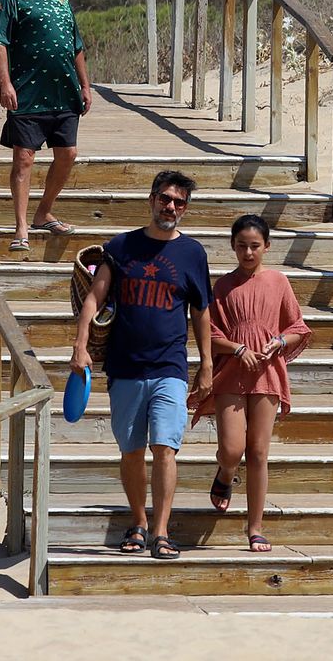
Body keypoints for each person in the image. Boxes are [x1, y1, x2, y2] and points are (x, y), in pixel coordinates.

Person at [70, 170, 214, 560]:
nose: (171, 207)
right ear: (151, 199)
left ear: (186, 208)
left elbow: (201, 312)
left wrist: (206, 364)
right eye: (166, 199)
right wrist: (80, 346)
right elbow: (94, 299)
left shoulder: (193, 253)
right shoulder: (121, 246)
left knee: (165, 447)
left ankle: (162, 531)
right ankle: (138, 523)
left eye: (179, 202)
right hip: (125, 365)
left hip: (170, 365)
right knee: (132, 451)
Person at [191, 215, 311, 552]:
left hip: (267, 372)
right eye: (241, 246)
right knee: (232, 449)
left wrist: (280, 342)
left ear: (267, 247)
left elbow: (297, 327)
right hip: (231, 372)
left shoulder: (278, 281)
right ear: (232, 246)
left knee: (258, 452)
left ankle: (255, 528)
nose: (248, 252)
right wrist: (237, 348)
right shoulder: (223, 286)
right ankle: (225, 474)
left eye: (255, 246)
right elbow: (208, 334)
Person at [0, 0, 92, 252]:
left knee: (68, 154)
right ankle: (21, 226)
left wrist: (86, 84)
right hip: (28, 93)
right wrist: (4, 83)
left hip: (64, 92)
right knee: (24, 157)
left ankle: (43, 211)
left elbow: (76, 45)